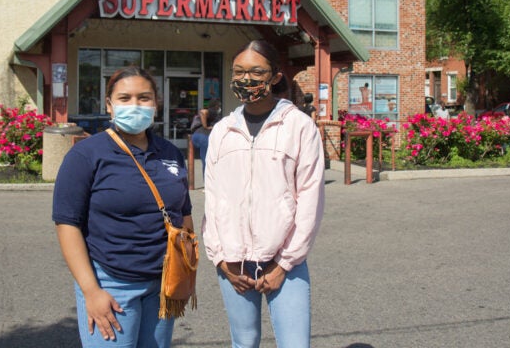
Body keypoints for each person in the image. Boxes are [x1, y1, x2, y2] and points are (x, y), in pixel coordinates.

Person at [52, 66, 193, 348]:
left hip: (163, 283)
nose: (135, 105)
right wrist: (91, 291)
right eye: (125, 98)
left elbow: (183, 214)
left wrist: (186, 272)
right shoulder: (86, 154)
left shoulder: (169, 152)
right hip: (111, 283)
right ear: (109, 105)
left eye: (144, 98)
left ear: (156, 103)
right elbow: (67, 225)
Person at [201, 39, 326, 348]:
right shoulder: (222, 131)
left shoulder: (299, 127)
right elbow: (213, 199)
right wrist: (219, 259)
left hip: (286, 261)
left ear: (275, 76)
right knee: (244, 343)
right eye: (239, 71)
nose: (247, 79)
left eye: (257, 71)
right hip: (233, 263)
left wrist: (285, 262)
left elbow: (310, 200)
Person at [189, 98, 222, 171]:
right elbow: (203, 112)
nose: (219, 107)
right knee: (207, 162)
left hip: (198, 136)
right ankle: (207, 181)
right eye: (218, 105)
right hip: (204, 137)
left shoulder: (214, 113)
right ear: (215, 105)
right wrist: (205, 126)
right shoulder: (213, 111)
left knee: (208, 161)